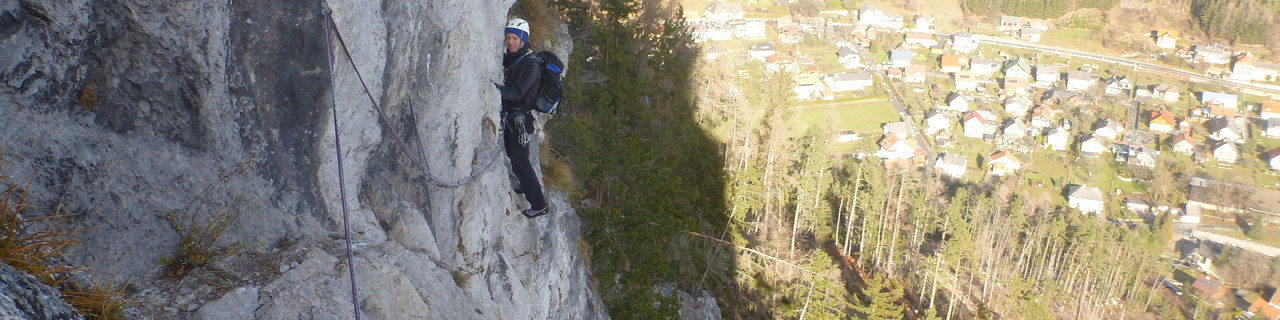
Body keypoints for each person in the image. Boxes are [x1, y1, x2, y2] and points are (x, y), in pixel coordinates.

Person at [497, 18, 549, 218]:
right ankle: (524, 184)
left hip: (520, 120)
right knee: (514, 157)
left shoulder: (531, 64)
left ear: (523, 39)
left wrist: (494, 89)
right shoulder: (517, 57)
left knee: (520, 162)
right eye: (508, 38)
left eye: (515, 38)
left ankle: (539, 204)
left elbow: (518, 93)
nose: (510, 42)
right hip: (514, 117)